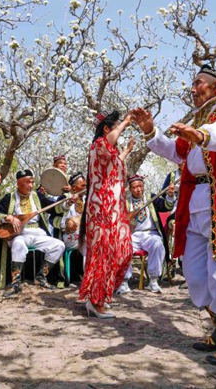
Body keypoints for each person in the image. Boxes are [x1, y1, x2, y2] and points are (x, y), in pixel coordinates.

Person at [133, 64, 216, 367]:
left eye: (200, 84)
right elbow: (178, 152)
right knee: (195, 276)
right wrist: (150, 131)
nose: (193, 89)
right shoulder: (198, 119)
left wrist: (200, 134)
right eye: (192, 84)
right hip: (196, 204)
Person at [78, 111, 134, 319]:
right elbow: (108, 144)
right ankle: (95, 300)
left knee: (124, 250)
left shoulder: (108, 151)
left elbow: (114, 162)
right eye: (117, 126)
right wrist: (126, 123)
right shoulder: (98, 145)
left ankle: (100, 294)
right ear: (107, 129)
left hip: (114, 210)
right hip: (101, 209)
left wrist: (127, 151)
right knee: (103, 254)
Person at [0, 169, 66, 296]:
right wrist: (7, 218)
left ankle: (41, 277)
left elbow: (54, 208)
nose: (31, 185)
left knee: (59, 245)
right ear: (18, 183)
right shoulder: (10, 197)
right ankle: (15, 282)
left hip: (38, 232)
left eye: (32, 182)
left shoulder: (37, 196)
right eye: (27, 182)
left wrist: (66, 203)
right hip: (20, 234)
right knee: (18, 244)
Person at [117, 174, 169, 294]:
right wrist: (129, 216)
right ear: (130, 189)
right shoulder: (125, 202)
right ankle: (124, 281)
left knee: (157, 244)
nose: (138, 189)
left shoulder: (151, 198)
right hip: (133, 235)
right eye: (135, 187)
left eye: (140, 186)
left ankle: (153, 280)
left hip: (150, 234)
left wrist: (170, 195)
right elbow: (120, 219)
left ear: (144, 186)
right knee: (122, 245)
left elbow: (166, 206)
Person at [59, 172, 87, 285]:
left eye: (86, 185)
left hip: (84, 234)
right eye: (82, 186)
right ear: (74, 188)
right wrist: (70, 223)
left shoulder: (86, 199)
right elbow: (61, 224)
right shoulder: (66, 199)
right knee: (87, 244)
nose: (85, 188)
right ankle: (87, 278)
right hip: (70, 235)